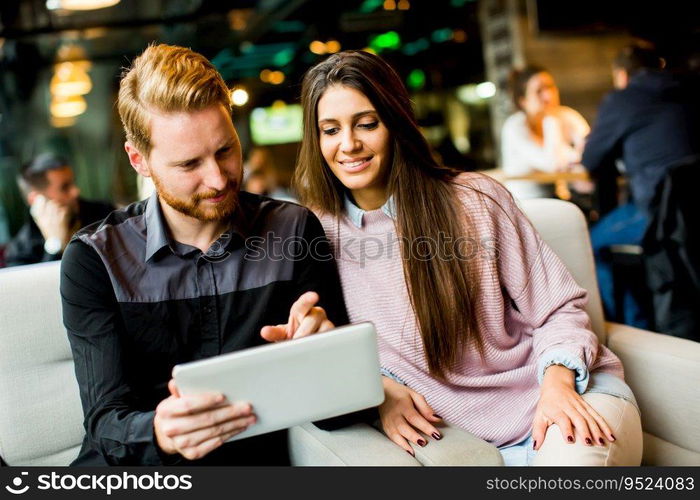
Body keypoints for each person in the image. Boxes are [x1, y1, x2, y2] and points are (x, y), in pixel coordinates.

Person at [293, 50, 642, 466]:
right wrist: (379, 389)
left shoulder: (473, 199)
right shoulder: (316, 232)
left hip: (564, 391)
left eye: (367, 124)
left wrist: (558, 386)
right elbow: (334, 351)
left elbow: (559, 308)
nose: (348, 144)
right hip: (464, 438)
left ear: (397, 122)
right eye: (329, 130)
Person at [60, 44, 347, 466]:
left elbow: (338, 411)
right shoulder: (95, 259)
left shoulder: (294, 230)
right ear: (139, 160)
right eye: (189, 164)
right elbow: (106, 422)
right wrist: (159, 432)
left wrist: (327, 357)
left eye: (226, 150)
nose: (217, 178)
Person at [582, 44, 700, 327]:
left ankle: (633, 329)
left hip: (658, 213)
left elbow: (591, 159)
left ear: (622, 75)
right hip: (692, 209)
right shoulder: (688, 88)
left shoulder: (623, 99)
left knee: (589, 245)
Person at [4, 154, 114, 266]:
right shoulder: (20, 251)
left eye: (73, 183)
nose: (76, 191)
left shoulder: (104, 214)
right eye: (65, 187)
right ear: (36, 200)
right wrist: (55, 245)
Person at [501, 66, 590, 200]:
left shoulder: (566, 114)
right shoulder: (514, 126)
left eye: (551, 87)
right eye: (539, 91)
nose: (548, 96)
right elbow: (553, 164)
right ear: (523, 101)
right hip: (526, 203)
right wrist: (550, 121)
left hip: (559, 198)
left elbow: (592, 149)